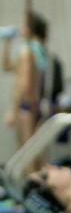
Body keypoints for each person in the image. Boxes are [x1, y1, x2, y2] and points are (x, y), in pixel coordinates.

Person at [3, 11, 49, 147]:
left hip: (26, 108)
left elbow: (23, 84)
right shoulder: (39, 51)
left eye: (24, 26)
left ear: (30, 29)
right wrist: (7, 44)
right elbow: (7, 67)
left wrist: (13, 111)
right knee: (34, 155)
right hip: (36, 107)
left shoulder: (27, 52)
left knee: (26, 158)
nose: (20, 28)